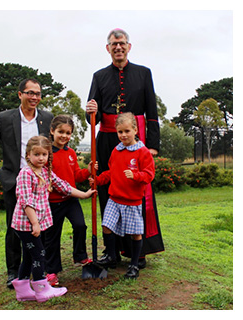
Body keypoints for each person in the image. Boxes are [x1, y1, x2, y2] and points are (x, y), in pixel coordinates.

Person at [86, 28, 164, 266]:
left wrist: (152, 146)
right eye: (113, 44)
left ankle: (136, 251)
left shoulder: (143, 73)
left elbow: (152, 112)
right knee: (108, 195)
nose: (118, 47)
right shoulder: (99, 76)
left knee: (134, 191)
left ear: (129, 46)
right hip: (107, 142)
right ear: (107, 48)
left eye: (121, 43)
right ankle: (112, 252)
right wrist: (89, 111)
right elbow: (93, 118)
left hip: (137, 143)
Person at [0, 79, 54, 288]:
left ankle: (38, 269)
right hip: (15, 181)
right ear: (20, 94)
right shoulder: (5, 118)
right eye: (30, 93)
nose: (34, 97)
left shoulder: (47, 118)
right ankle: (13, 273)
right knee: (14, 230)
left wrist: (50, 175)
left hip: (39, 182)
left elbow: (52, 148)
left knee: (41, 228)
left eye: (38, 93)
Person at [11, 136, 96, 302]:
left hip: (37, 224)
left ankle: (22, 290)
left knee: (29, 256)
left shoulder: (45, 172)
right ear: (28, 155)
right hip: (27, 225)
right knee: (39, 255)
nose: (41, 158)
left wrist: (84, 195)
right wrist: (35, 223)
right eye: (37, 154)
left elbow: (64, 186)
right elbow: (26, 201)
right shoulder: (25, 174)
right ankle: (42, 289)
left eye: (45, 154)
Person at [91, 113, 155, 279]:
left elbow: (149, 175)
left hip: (132, 201)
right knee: (107, 226)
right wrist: (97, 180)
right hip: (114, 199)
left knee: (135, 233)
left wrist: (136, 176)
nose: (123, 135)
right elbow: (111, 173)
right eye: (120, 132)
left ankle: (134, 265)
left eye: (127, 131)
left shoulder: (143, 152)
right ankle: (112, 255)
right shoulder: (116, 151)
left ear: (135, 129)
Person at [44, 115, 94, 286]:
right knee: (52, 237)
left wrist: (87, 171)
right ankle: (51, 271)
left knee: (80, 225)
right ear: (52, 131)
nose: (64, 136)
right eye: (61, 132)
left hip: (71, 200)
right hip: (53, 202)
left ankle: (80, 257)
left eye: (68, 133)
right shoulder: (47, 153)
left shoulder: (71, 153)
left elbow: (76, 176)